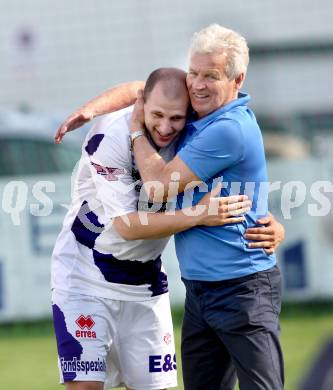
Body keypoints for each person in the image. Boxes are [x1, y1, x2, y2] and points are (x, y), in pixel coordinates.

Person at [55, 25, 286, 390]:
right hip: (105, 279)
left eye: (210, 75)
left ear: (236, 79)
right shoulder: (145, 125)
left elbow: (162, 185)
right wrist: (89, 111)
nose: (197, 84)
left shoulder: (215, 122)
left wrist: (268, 221)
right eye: (194, 73)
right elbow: (138, 88)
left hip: (213, 287)